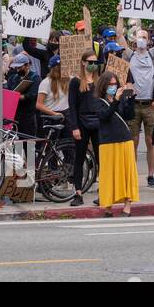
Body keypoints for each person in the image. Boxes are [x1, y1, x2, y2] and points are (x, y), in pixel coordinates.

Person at [89, 71, 138, 217]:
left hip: (124, 138)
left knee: (126, 173)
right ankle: (108, 206)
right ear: (104, 85)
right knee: (108, 174)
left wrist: (130, 100)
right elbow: (104, 116)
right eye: (110, 84)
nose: (113, 86)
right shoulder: (98, 101)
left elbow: (130, 116)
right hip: (107, 141)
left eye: (115, 84)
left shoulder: (121, 98)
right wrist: (115, 100)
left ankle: (127, 205)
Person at [64, 49, 102, 206]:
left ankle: (103, 191)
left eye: (95, 62)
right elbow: (71, 105)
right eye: (90, 62)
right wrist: (74, 127)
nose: (93, 65)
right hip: (82, 122)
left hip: (98, 122)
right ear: (83, 63)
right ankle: (78, 193)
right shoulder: (76, 81)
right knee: (79, 157)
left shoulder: (100, 81)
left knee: (102, 158)